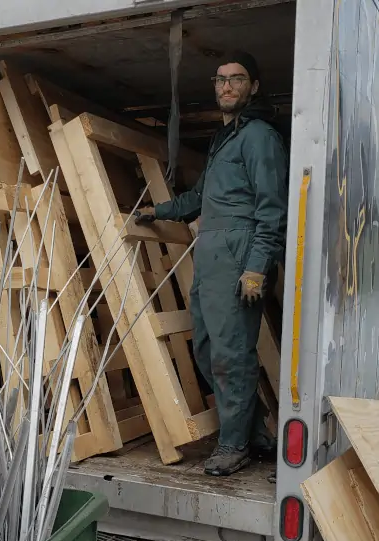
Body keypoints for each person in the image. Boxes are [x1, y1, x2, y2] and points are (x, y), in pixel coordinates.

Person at [134, 51, 289, 476]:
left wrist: (257, 266)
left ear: (252, 87)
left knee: (231, 354)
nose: (226, 87)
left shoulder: (259, 137)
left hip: (239, 253)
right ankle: (255, 430)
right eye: (220, 80)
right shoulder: (224, 141)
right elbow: (198, 199)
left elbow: (272, 208)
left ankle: (233, 444)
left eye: (237, 79)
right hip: (211, 253)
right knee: (205, 348)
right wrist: (158, 212)